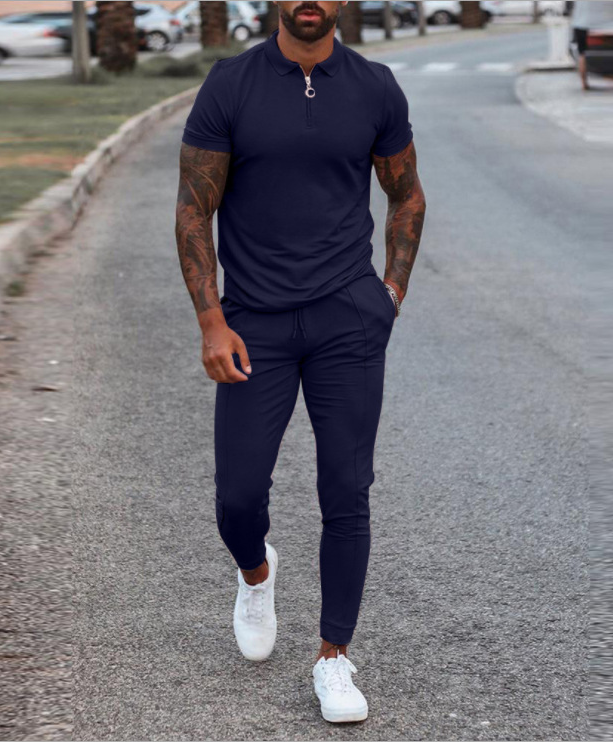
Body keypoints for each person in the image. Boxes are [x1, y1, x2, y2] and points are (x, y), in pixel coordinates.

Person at [175, 0, 426, 725]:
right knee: (237, 497)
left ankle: (333, 657)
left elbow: (406, 196)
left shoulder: (375, 87)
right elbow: (194, 210)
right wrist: (212, 320)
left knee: (347, 488)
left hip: (348, 319)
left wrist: (390, 294)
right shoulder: (231, 85)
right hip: (254, 323)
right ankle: (257, 573)